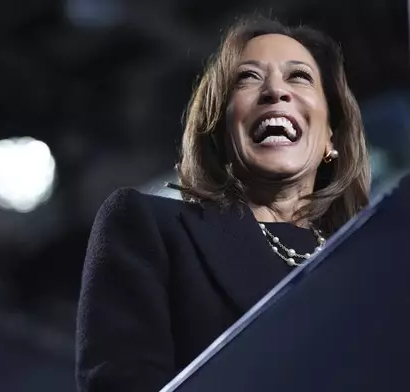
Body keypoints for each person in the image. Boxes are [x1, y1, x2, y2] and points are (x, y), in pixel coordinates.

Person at [75, 15, 370, 392]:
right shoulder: (150, 227)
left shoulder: (375, 263)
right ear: (219, 129)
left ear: (331, 136)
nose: (275, 91)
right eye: (247, 78)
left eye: (299, 77)